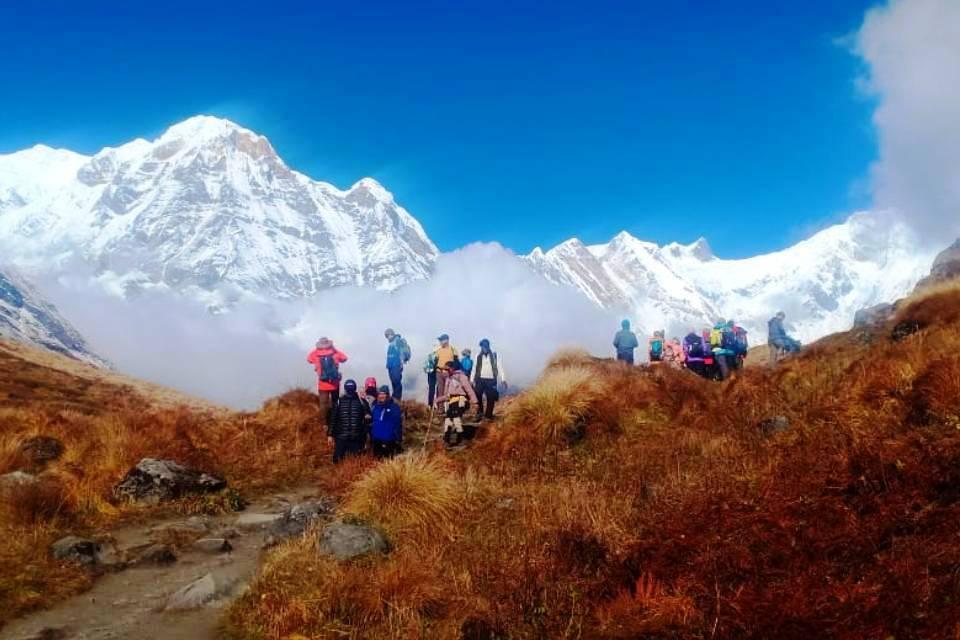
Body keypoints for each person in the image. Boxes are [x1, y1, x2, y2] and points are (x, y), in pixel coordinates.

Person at [306, 337, 348, 427]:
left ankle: (324, 424)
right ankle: (336, 421)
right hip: (335, 383)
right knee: (335, 402)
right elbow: (344, 358)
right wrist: (334, 349)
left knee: (323, 404)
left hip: (322, 384)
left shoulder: (315, 353)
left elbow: (308, 359)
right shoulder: (334, 352)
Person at [327, 379, 371, 463]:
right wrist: (330, 435)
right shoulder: (361, 402)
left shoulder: (361, 402)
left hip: (353, 437)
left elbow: (368, 419)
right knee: (340, 461)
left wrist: (330, 435)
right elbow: (333, 419)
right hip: (347, 437)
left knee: (352, 461)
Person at [436, 360, 478, 446]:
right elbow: (447, 396)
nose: (445, 371)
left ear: (452, 369)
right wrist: (437, 400)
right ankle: (447, 440)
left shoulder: (461, 377)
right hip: (452, 402)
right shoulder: (448, 380)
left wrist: (475, 402)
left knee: (456, 418)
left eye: (447, 369)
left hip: (461, 400)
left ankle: (460, 439)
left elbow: (468, 389)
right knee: (448, 420)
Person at [473, 338, 507, 421]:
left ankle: (488, 415)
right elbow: (474, 368)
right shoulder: (478, 355)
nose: (484, 348)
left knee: (491, 397)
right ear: (481, 347)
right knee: (477, 395)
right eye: (482, 346)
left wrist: (503, 379)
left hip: (491, 379)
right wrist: (471, 380)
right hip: (480, 379)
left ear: (488, 346)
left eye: (485, 346)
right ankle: (480, 412)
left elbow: (500, 367)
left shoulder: (495, 355)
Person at [371, 385, 403, 459]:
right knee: (376, 465)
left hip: (389, 441)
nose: (381, 396)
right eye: (380, 394)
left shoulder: (394, 407)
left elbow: (398, 424)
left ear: (387, 395)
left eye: (383, 393)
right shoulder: (375, 407)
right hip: (376, 441)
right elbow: (373, 422)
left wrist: (398, 439)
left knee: (387, 464)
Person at [384, 329, 411, 400]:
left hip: (396, 365)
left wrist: (401, 363)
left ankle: (397, 399)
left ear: (392, 334)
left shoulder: (398, 340)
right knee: (394, 383)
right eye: (386, 336)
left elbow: (401, 352)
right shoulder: (392, 343)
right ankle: (395, 398)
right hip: (391, 366)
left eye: (388, 335)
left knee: (396, 383)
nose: (388, 337)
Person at [431, 334, 458, 402]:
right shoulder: (438, 351)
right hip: (439, 372)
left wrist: (452, 369)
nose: (440, 342)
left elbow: (456, 362)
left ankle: (449, 408)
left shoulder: (453, 349)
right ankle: (441, 408)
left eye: (441, 340)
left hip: (448, 373)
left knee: (449, 391)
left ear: (446, 340)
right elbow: (435, 362)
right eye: (440, 340)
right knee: (440, 390)